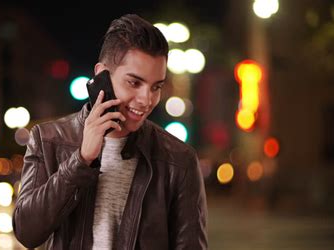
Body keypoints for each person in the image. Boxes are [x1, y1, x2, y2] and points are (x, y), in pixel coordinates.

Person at [13, 14, 208, 249]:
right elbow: (27, 232)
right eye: (134, 83)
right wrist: (81, 160)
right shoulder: (48, 139)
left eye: (156, 86)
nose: (146, 100)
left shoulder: (179, 160)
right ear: (101, 75)